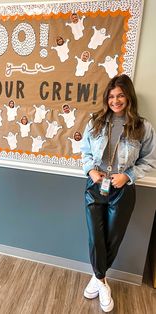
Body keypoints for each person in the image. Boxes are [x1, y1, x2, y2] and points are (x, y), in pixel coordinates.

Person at [80, 74, 156, 312]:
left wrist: (129, 176)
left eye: (121, 95)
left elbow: (150, 160)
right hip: (95, 186)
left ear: (129, 96)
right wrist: (91, 170)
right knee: (96, 238)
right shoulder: (95, 122)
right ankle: (102, 281)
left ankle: (97, 278)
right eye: (112, 96)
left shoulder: (143, 127)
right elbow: (84, 153)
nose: (116, 100)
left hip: (123, 190)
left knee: (113, 238)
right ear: (107, 99)